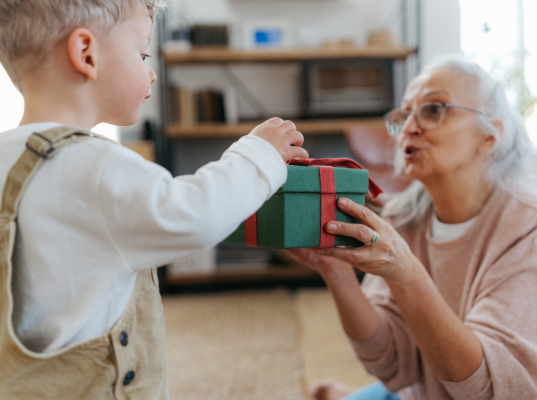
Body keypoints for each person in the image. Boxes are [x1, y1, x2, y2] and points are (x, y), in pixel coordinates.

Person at [0, 0, 308, 398]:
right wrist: (258, 154)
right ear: (86, 54)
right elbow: (195, 216)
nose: (152, 72)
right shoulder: (95, 165)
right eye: (142, 53)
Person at [289, 57, 537, 400]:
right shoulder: (404, 217)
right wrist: (335, 271)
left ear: (491, 136)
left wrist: (406, 272)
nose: (410, 127)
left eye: (434, 109)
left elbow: (493, 388)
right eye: (403, 116)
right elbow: (392, 364)